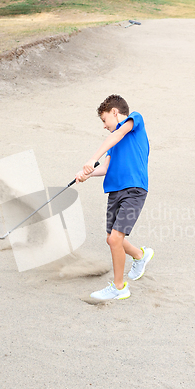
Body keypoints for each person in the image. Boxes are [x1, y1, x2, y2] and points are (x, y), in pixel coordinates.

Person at [75, 94, 153, 301]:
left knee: (116, 239)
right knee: (111, 239)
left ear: (114, 112)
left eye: (104, 120)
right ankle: (140, 255)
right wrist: (87, 174)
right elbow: (107, 168)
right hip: (115, 191)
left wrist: (93, 158)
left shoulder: (135, 120)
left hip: (134, 189)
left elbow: (115, 136)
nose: (103, 125)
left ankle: (119, 287)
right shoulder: (114, 143)